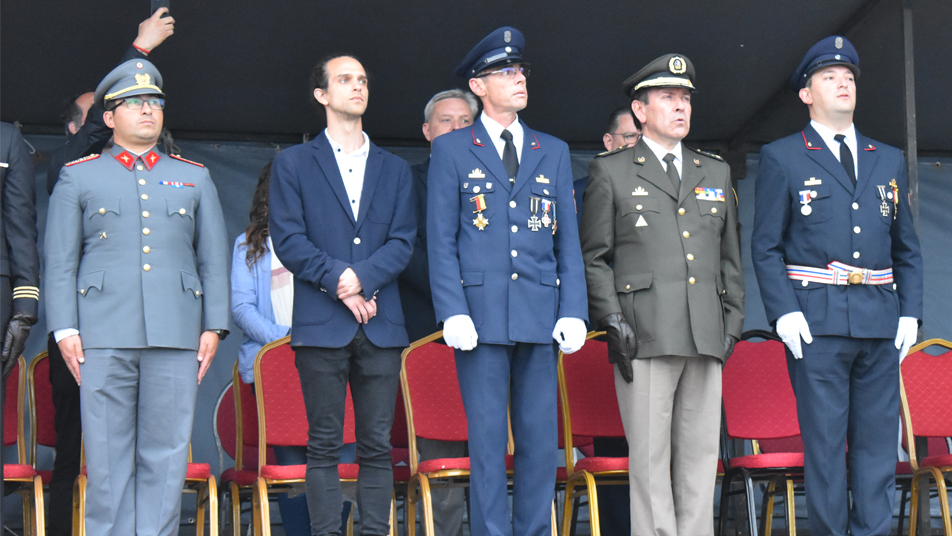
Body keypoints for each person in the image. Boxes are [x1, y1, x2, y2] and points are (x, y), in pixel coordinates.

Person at [44, 59, 230, 536]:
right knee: (106, 461)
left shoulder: (194, 177)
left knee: (167, 458)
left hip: (175, 331)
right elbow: (61, 260)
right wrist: (65, 327)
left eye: (154, 103)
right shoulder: (78, 176)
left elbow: (212, 258)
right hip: (101, 334)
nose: (148, 110)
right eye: (134, 103)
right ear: (109, 117)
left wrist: (214, 325)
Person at [751, 36, 922, 535]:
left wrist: (910, 311)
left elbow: (906, 245)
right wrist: (784, 312)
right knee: (825, 449)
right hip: (816, 321)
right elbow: (766, 246)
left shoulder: (885, 157)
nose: (843, 82)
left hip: (878, 319)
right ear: (806, 94)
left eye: (848, 76)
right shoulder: (783, 156)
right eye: (829, 77)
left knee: (875, 448)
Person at [427, 27, 588, 536]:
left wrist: (574, 308)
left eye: (520, 71)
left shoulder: (552, 149)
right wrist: (452, 308)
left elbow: (567, 240)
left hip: (540, 312)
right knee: (488, 441)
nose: (518, 80)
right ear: (478, 85)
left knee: (541, 442)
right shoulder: (453, 149)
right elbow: (441, 238)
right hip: (480, 316)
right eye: (505, 73)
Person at [580, 54, 744, 536]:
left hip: (705, 334)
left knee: (699, 463)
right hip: (644, 333)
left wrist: (732, 324)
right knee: (650, 465)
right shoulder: (611, 172)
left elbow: (730, 259)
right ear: (640, 110)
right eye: (668, 98)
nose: (680, 107)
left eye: (686, 99)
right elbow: (594, 257)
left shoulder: (713, 172)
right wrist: (612, 318)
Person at [269, 55, 415, 536]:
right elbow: (288, 239)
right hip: (321, 323)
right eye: (346, 80)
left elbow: (402, 241)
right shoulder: (292, 163)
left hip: (380, 322)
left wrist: (360, 280)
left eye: (363, 80)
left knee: (376, 445)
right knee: (324, 444)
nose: (358, 87)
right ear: (322, 95)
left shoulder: (394, 168)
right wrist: (340, 281)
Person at [43, 12, 175, 535]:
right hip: (82, 336)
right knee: (74, 452)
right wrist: (138, 52)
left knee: (142, 450)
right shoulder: (67, 167)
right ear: (85, 125)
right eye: (104, 110)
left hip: (141, 331)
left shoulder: (164, 171)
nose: (130, 110)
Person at [231, 162, 356, 535]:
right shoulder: (248, 243)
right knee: (293, 471)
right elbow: (241, 308)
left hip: (333, 359)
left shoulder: (336, 238)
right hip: (275, 369)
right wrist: (285, 341)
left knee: (341, 463)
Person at [398, 88, 477, 536]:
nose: (457, 129)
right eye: (447, 121)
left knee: (491, 449)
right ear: (428, 132)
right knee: (442, 457)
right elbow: (405, 251)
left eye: (466, 121)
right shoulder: (408, 181)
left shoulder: (499, 178)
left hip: (493, 334)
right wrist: (460, 300)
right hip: (431, 334)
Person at [573, 107, 642, 225]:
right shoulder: (580, 191)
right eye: (630, 136)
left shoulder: (663, 187)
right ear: (609, 142)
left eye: (645, 138)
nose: (640, 144)